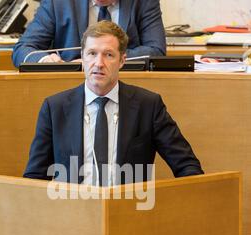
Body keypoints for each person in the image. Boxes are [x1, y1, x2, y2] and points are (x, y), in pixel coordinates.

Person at [23, 21, 203, 185]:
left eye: (108, 55)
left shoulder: (148, 105)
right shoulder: (55, 108)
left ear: (122, 60)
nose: (98, 63)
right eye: (92, 53)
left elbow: (187, 166)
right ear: (82, 58)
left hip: (129, 210)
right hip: (72, 212)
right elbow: (34, 177)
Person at [12, 0, 166, 67]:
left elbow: (156, 51)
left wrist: (107, 59)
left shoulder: (144, 2)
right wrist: (45, 61)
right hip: (67, 88)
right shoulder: (58, 2)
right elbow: (23, 49)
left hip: (126, 87)